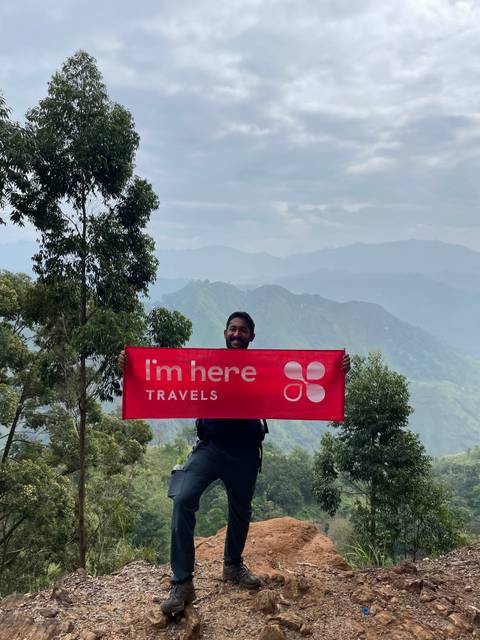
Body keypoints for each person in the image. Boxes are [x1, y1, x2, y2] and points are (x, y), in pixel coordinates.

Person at [119, 311, 351, 615]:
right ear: (225, 333)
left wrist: (338, 370)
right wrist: (129, 367)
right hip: (209, 448)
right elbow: (161, 374)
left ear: (252, 336)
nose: (237, 334)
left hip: (245, 452)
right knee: (183, 499)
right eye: (232, 329)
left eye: (243, 330)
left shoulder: (264, 369)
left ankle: (232, 566)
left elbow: (310, 380)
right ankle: (182, 582)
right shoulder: (207, 364)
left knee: (241, 512)